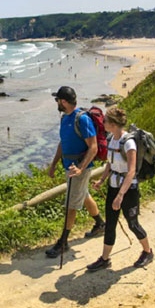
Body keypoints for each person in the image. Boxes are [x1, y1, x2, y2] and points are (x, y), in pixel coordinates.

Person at [87, 106, 153, 271]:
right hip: (113, 187)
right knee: (110, 224)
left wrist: (120, 195)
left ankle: (148, 251)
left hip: (128, 190)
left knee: (133, 224)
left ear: (114, 124)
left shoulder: (129, 143)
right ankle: (104, 259)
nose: (103, 123)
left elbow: (131, 171)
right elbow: (110, 163)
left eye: (106, 121)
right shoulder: (111, 139)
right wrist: (102, 180)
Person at [46, 86, 105, 258]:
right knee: (83, 195)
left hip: (78, 169)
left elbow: (93, 147)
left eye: (58, 100)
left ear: (63, 102)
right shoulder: (65, 118)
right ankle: (100, 224)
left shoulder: (82, 119)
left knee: (71, 205)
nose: (57, 102)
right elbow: (62, 143)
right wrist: (54, 164)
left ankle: (63, 242)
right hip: (69, 167)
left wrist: (80, 168)